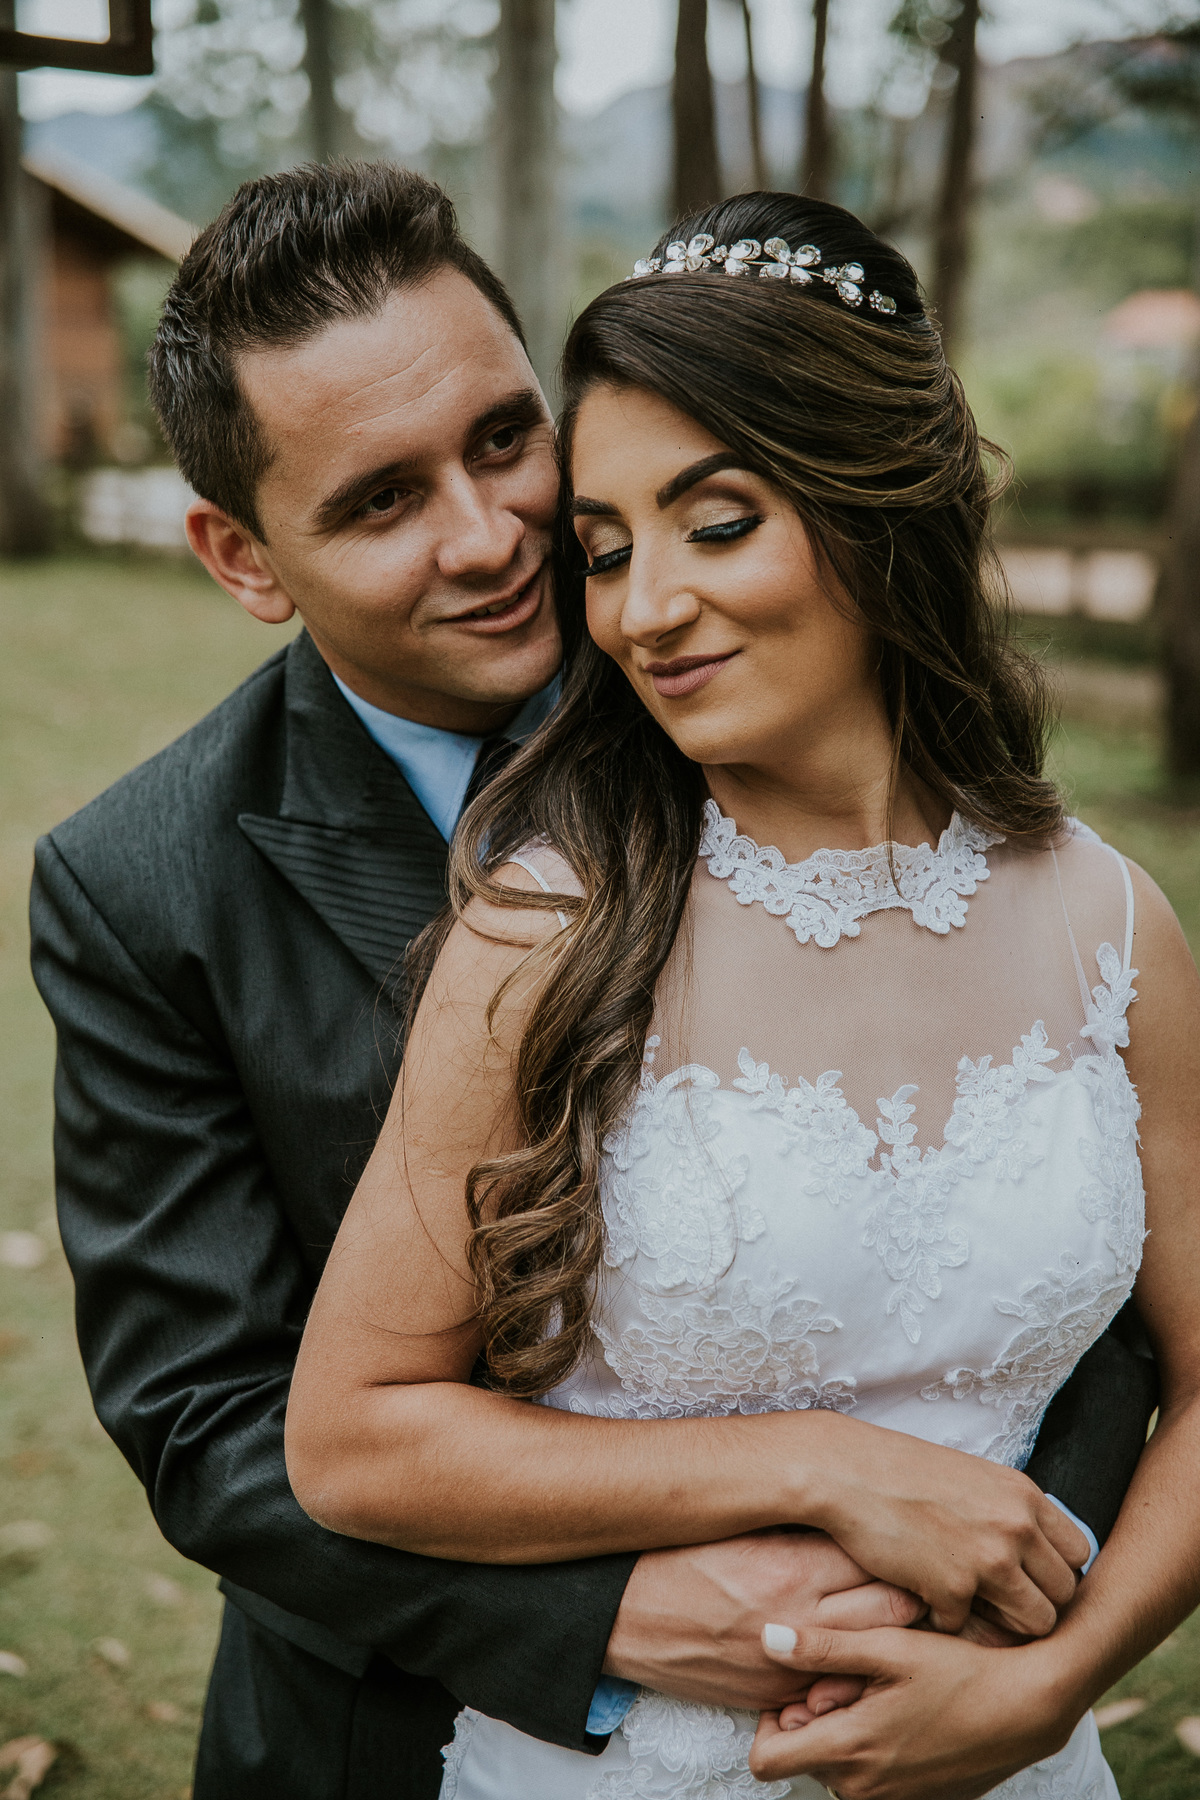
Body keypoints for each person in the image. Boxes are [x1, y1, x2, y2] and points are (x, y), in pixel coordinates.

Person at [28, 165, 1149, 1800]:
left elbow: (1071, 1247)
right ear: (243, 555)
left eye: (505, 440)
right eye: (381, 502)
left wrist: (1021, 1628)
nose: (494, 539)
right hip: (404, 1730)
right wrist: (613, 1615)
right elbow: (211, 1420)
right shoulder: (142, 886)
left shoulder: (776, 692)